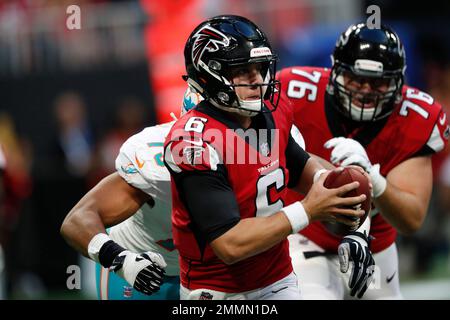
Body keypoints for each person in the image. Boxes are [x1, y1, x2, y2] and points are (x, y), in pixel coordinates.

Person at [163, 15, 372, 300]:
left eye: (260, 68)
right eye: (243, 70)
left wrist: (347, 207)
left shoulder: (273, 112)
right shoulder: (193, 141)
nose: (258, 79)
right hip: (215, 289)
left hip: (278, 280)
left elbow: (300, 168)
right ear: (207, 76)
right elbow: (229, 245)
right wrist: (309, 210)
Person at [277, 22, 450, 299]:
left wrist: (374, 180)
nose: (365, 90)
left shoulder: (417, 115)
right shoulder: (292, 89)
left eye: (379, 82)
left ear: (398, 81)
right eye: (356, 79)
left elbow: (411, 218)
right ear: (335, 72)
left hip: (375, 243)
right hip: (305, 235)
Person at [59, 89, 202, 300]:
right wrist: (121, 260)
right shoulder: (157, 164)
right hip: (140, 267)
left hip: (203, 272)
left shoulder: (250, 155)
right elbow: (76, 221)